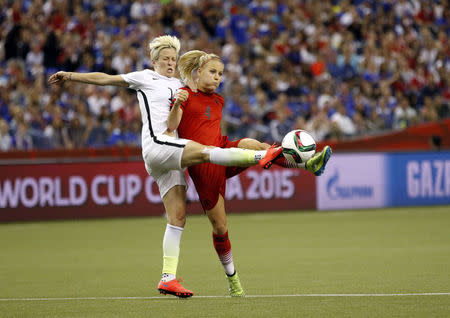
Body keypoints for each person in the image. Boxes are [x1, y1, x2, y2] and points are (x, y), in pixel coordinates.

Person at [48, 35, 283, 299]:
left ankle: (167, 278)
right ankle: (260, 158)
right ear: (155, 61)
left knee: (178, 216)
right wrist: (70, 76)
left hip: (169, 157)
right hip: (158, 144)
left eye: (173, 58)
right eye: (165, 59)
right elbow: (107, 79)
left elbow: (200, 83)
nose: (170, 63)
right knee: (207, 153)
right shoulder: (145, 77)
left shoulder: (182, 84)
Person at [168, 50, 332, 296]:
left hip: (222, 149)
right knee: (221, 228)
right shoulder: (184, 95)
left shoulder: (218, 100)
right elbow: (172, 126)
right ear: (198, 72)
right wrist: (178, 102)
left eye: (221, 74)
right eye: (212, 72)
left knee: (255, 145)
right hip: (203, 164)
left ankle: (307, 165)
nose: (217, 78)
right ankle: (233, 279)